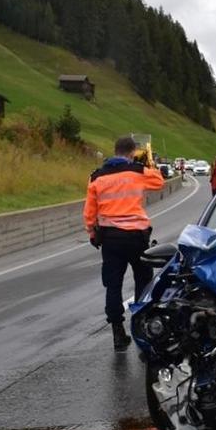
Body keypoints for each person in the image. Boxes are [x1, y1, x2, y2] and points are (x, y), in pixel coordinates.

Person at [83, 137, 165, 350]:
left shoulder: (96, 177)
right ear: (131, 153)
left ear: (114, 151)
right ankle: (140, 327)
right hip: (137, 237)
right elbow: (159, 181)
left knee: (113, 285)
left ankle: (118, 333)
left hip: (111, 239)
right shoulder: (137, 172)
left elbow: (90, 212)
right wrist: (146, 163)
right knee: (143, 282)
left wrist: (92, 232)